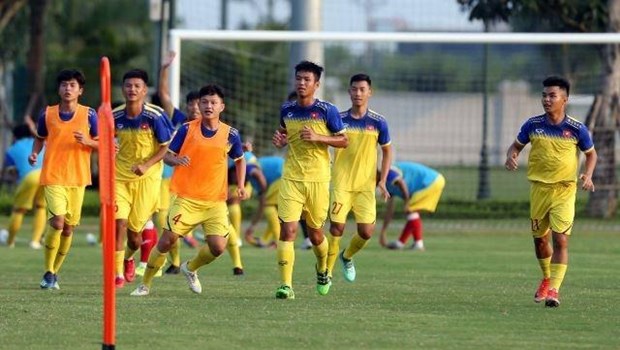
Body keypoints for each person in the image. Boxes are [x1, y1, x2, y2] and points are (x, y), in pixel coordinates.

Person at [130, 84, 247, 296]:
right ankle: (145, 284)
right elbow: (166, 154)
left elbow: (239, 160)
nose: (208, 106)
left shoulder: (231, 134)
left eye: (213, 102)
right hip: (186, 198)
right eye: (204, 102)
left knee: (219, 247)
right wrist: (176, 160)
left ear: (222, 106)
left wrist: (240, 185)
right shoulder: (187, 129)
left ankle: (190, 268)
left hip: (215, 202)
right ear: (199, 105)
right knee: (167, 240)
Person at [505, 76, 597, 308]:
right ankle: (546, 278)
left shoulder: (576, 129)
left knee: (561, 239)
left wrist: (588, 174)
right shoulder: (532, 125)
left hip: (565, 190)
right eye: (544, 95)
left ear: (564, 99)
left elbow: (591, 154)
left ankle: (554, 290)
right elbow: (516, 145)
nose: (547, 99)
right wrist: (511, 155)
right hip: (539, 190)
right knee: (540, 241)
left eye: (552, 95)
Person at [272, 60, 348, 299]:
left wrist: (319, 137)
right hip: (292, 177)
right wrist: (281, 139)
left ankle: (323, 268)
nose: (301, 83)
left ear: (316, 84)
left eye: (307, 80)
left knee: (316, 234)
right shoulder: (287, 109)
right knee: (288, 231)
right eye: (299, 79)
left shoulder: (327, 111)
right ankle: (286, 285)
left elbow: (344, 141)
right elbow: (285, 132)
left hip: (318, 180)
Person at [28, 69, 98, 289]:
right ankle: (48, 271)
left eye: (72, 85)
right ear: (59, 89)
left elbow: (102, 143)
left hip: (78, 178)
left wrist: (87, 140)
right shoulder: (47, 114)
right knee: (57, 221)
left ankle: (55, 273)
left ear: (80, 90)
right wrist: (34, 153)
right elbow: (40, 138)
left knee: (68, 229)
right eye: (64, 85)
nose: (68, 89)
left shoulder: (89, 115)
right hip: (54, 175)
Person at [326, 73, 392, 283]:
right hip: (341, 183)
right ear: (349, 92)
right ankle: (326, 272)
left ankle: (347, 256)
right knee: (337, 227)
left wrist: (382, 180)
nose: (358, 93)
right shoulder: (339, 119)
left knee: (366, 232)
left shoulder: (379, 122)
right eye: (354, 89)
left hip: (365, 186)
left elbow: (387, 151)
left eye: (362, 89)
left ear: (369, 92)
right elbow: (324, 142)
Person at [141, 51, 201, 276]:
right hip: (169, 180)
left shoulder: (209, 127)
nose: (194, 108)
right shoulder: (177, 119)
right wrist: (165, 68)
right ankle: (174, 263)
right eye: (191, 104)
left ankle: (234, 264)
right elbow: (163, 93)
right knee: (167, 221)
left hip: (196, 183)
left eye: (198, 104)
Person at [113, 69, 174, 288]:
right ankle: (117, 273)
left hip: (147, 180)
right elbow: (103, 139)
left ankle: (129, 257)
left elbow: (165, 147)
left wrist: (146, 165)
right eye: (128, 86)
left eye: (137, 86)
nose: (132, 90)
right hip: (119, 177)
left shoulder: (155, 116)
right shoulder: (115, 116)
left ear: (144, 90)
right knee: (118, 223)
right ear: (123, 89)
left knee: (134, 236)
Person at [379, 161, 445, 252]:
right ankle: (401, 243)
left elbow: (401, 183)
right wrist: (383, 232)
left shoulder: (387, 172)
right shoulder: (386, 186)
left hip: (431, 181)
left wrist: (407, 202)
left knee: (410, 210)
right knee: (412, 212)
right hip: (433, 181)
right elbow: (390, 210)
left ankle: (418, 244)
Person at [2, 124, 46, 249]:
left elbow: (10, 171)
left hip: (30, 177)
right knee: (41, 207)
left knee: (19, 210)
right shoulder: (39, 143)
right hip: (46, 175)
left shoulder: (11, 149)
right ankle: (35, 241)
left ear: (15, 136)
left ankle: (10, 242)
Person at [244, 155, 284, 248]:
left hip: (282, 174)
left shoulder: (248, 167)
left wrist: (264, 190)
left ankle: (278, 242)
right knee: (273, 211)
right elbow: (261, 205)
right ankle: (265, 240)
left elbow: (259, 175)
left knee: (269, 206)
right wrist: (252, 227)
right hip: (286, 173)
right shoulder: (253, 180)